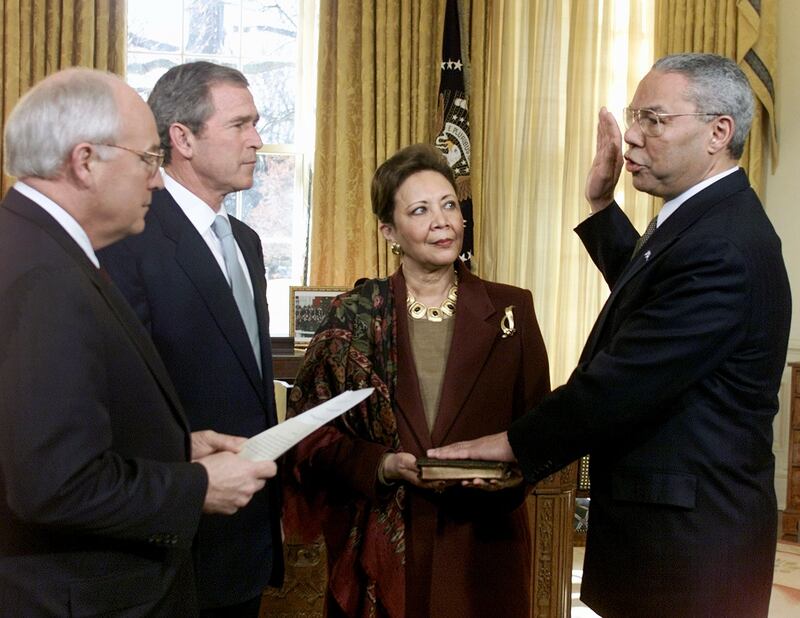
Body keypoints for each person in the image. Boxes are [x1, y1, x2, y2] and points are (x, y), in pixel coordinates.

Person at [429, 53, 792, 617]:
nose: (632, 136)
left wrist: (514, 445)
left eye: (654, 119)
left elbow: (623, 382)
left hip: (689, 550)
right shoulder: (708, 219)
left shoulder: (721, 244)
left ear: (719, 132)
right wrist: (601, 203)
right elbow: (653, 294)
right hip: (674, 533)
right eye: (633, 116)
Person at [0, 68, 277, 616]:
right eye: (147, 160)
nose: (156, 180)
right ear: (85, 162)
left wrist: (176, 447)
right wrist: (196, 486)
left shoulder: (40, 249)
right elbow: (56, 483)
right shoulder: (42, 274)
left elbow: (62, 428)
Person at [283, 143, 550, 617]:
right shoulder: (354, 317)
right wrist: (380, 465)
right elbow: (307, 436)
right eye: (421, 210)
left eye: (450, 205)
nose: (442, 221)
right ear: (389, 230)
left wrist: (503, 481)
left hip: (482, 546)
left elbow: (538, 426)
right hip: (385, 542)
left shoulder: (514, 309)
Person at [97, 61, 283, 617]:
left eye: (257, 124)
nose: (256, 140)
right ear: (182, 138)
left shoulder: (246, 242)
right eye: (239, 125)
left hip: (246, 532)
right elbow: (120, 396)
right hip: (171, 543)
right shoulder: (130, 239)